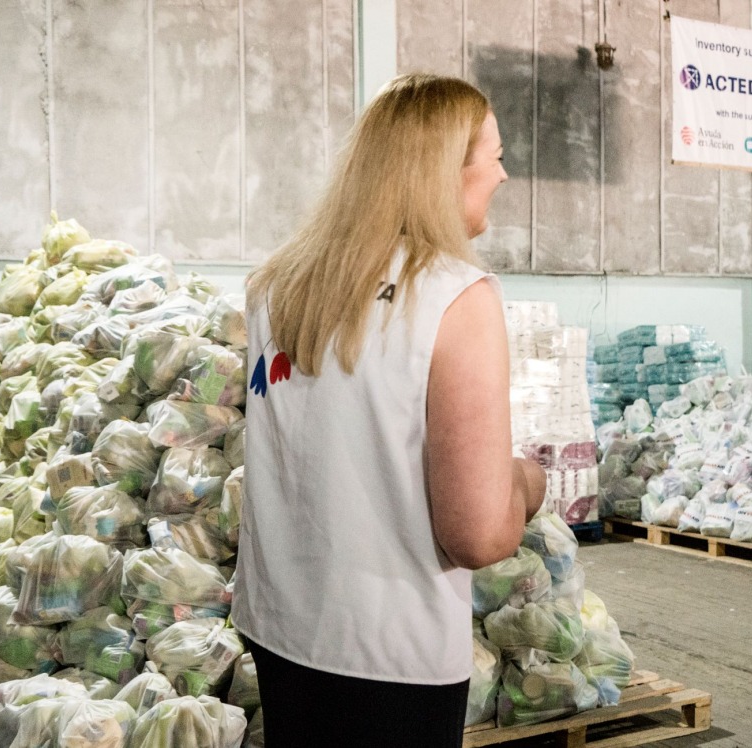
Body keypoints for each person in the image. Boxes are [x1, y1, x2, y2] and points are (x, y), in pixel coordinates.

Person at [234, 74, 548, 747]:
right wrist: (528, 482)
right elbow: (479, 535)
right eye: (494, 156)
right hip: (389, 655)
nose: (502, 173)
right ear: (447, 173)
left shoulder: (276, 286)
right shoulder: (455, 297)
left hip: (281, 631)